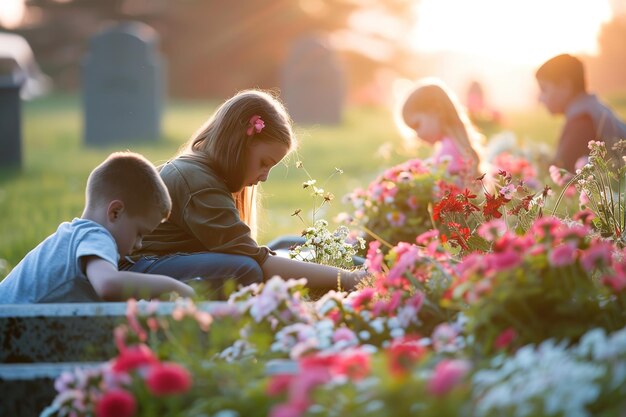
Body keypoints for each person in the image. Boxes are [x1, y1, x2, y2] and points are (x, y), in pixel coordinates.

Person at [120, 89, 365, 296]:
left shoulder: (202, 173)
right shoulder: (198, 182)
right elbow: (260, 262)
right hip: (138, 271)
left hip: (150, 267)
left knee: (255, 260)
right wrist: (349, 279)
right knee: (243, 269)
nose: (265, 176)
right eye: (263, 163)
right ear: (238, 145)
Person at [0, 152, 196, 303]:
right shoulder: (97, 236)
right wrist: (173, 286)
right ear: (115, 212)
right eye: (139, 233)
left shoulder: (74, 234)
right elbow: (107, 284)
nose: (139, 244)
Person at [535, 53, 626, 172]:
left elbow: (562, 172)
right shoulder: (593, 108)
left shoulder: (581, 120)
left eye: (543, 89)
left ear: (565, 86)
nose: (539, 98)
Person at [398, 78, 483, 176]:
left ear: (436, 110)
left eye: (417, 125)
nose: (418, 134)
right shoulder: (455, 145)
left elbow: (446, 188)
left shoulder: (447, 152)